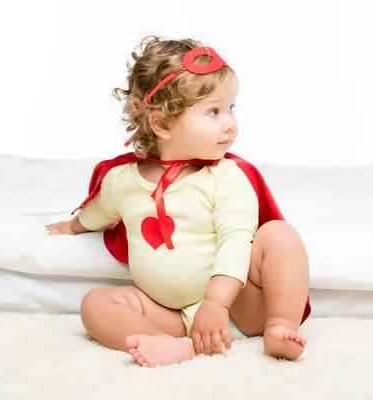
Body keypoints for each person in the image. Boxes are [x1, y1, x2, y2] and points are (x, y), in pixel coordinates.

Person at [45, 35, 311, 368]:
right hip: (170, 315)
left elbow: (235, 241)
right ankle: (170, 346)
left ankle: (280, 327)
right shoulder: (123, 180)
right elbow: (99, 210)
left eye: (231, 108)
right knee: (95, 304)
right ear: (161, 123)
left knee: (280, 235)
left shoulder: (226, 177)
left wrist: (216, 303)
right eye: (213, 111)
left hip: (237, 307)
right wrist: (71, 226)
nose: (229, 122)